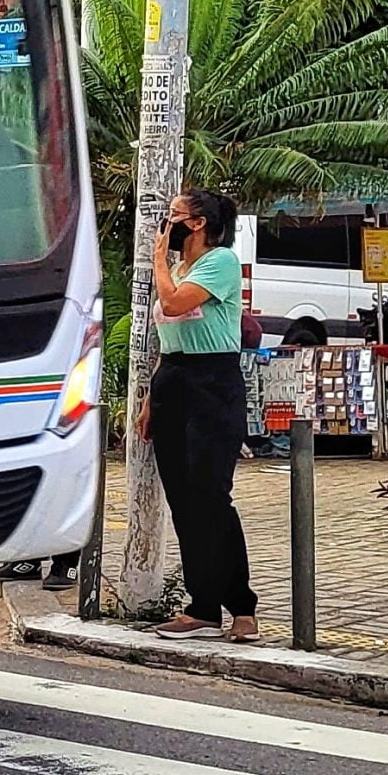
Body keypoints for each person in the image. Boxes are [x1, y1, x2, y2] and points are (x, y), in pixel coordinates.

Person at [143, 189, 258, 642]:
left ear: (196, 224)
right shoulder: (178, 270)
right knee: (184, 501)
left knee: (211, 495)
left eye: (173, 216)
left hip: (212, 383)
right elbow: (168, 339)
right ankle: (202, 607)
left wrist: (156, 262)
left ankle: (242, 607)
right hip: (174, 378)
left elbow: (172, 304)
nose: (165, 225)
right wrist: (152, 399)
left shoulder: (220, 262)